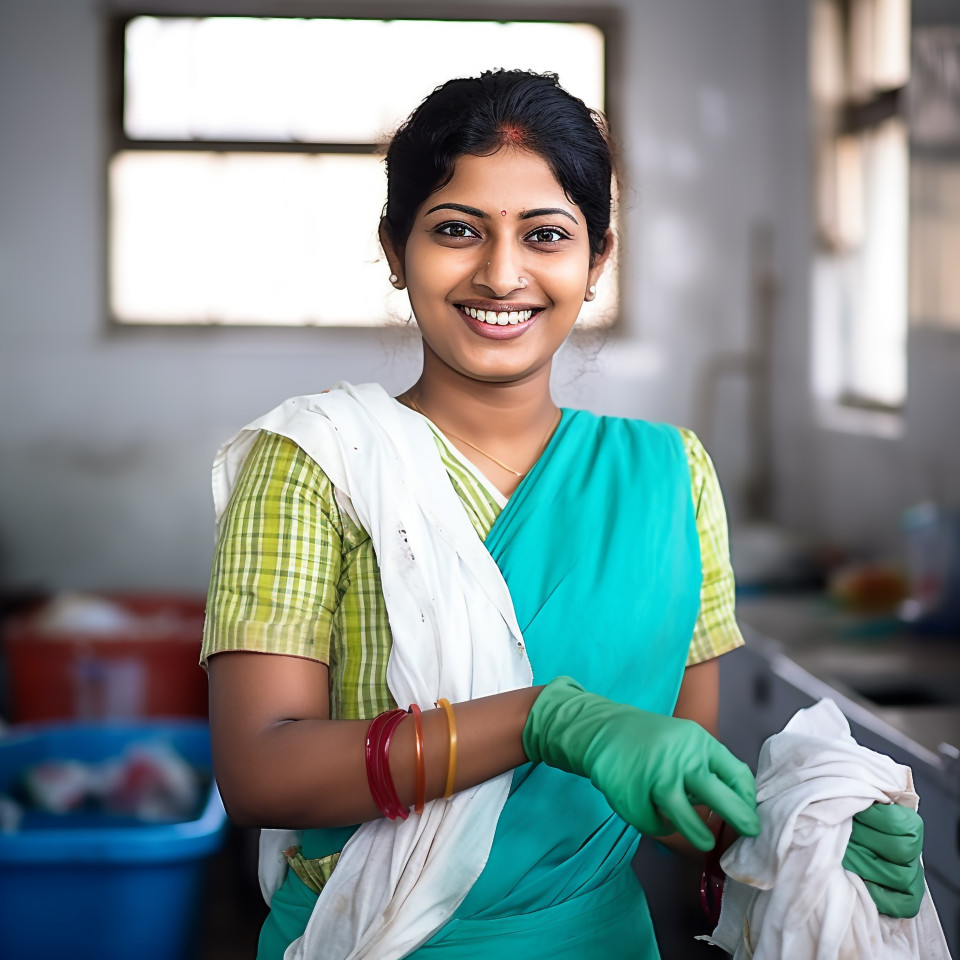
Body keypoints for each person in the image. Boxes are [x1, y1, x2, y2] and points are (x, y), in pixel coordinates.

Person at [202, 70, 925, 960]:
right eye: (456, 230)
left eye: (545, 234)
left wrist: (801, 836)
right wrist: (545, 718)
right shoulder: (315, 465)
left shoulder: (670, 477)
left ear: (596, 260)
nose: (501, 274)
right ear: (395, 251)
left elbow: (674, 796)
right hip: (370, 942)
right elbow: (259, 770)